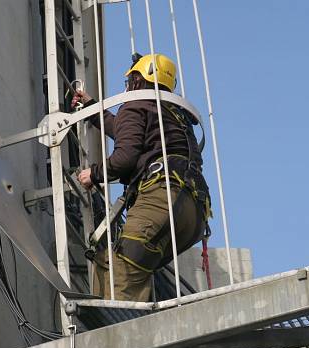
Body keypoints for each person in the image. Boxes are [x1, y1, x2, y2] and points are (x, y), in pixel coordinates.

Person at [72, 53, 212, 302]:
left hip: (161, 196)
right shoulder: (173, 115)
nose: (127, 88)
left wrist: (94, 174)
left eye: (129, 82)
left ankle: (119, 332)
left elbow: (125, 156)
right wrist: (93, 108)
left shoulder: (135, 105)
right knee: (115, 262)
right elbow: (128, 132)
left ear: (137, 81)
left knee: (125, 267)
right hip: (193, 213)